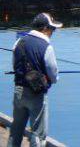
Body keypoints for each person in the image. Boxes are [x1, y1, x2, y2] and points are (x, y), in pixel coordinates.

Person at [7, 13, 62, 147]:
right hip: (37, 94)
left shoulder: (19, 42)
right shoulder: (46, 47)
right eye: (52, 29)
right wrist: (52, 79)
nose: (52, 32)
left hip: (18, 91)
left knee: (16, 129)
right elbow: (54, 75)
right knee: (38, 134)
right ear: (44, 28)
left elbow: (14, 64)